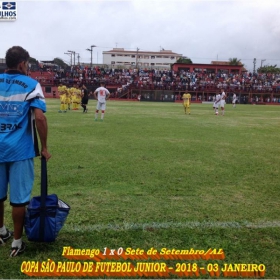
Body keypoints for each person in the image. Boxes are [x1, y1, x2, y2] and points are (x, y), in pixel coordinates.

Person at [0, 46, 51, 257]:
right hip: (20, 150)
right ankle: (17, 242)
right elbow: (39, 117)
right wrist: (45, 146)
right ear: (22, 63)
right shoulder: (32, 84)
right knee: (19, 199)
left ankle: (1, 232)